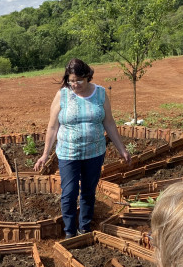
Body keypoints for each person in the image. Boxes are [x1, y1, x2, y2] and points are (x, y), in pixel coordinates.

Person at [34, 58, 131, 238]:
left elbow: (109, 122)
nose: (75, 84)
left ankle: (84, 227)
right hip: (68, 153)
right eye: (71, 81)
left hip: (94, 153)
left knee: (88, 191)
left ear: (87, 77)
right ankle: (70, 231)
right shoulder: (62, 95)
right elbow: (53, 126)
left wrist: (122, 149)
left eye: (78, 80)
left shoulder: (100, 93)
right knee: (69, 193)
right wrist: (45, 154)